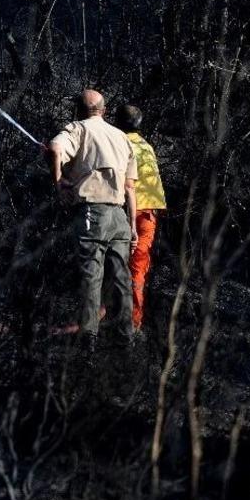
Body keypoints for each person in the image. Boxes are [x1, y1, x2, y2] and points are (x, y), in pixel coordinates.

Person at [47, 90, 138, 341]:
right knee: (121, 276)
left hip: (92, 213)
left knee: (91, 274)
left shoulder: (78, 128)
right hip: (119, 215)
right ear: (104, 110)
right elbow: (130, 186)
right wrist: (132, 226)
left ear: (78, 110)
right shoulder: (122, 137)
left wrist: (58, 183)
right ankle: (125, 336)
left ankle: (88, 338)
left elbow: (55, 149)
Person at [116, 104, 166, 332]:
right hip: (148, 214)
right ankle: (132, 322)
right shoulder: (147, 146)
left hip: (126, 211)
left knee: (119, 267)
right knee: (137, 269)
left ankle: (126, 322)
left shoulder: (118, 143)